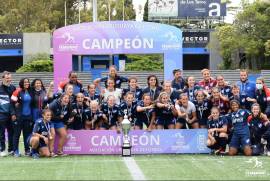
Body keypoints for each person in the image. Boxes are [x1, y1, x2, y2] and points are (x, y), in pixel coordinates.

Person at [11, 78, 33, 157]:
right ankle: (15, 151)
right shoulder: (17, 91)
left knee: (27, 134)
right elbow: (12, 104)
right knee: (16, 134)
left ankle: (27, 150)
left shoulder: (30, 91)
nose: (27, 83)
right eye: (25, 82)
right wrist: (13, 114)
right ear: (21, 83)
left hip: (28, 117)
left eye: (28, 82)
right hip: (19, 117)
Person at [0, 71, 16, 156]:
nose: (9, 79)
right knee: (1, 133)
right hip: (2, 114)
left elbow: (13, 102)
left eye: (10, 78)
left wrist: (13, 113)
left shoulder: (13, 87)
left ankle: (11, 149)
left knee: (11, 132)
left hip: (11, 114)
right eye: (7, 78)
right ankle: (2, 150)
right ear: (2, 79)